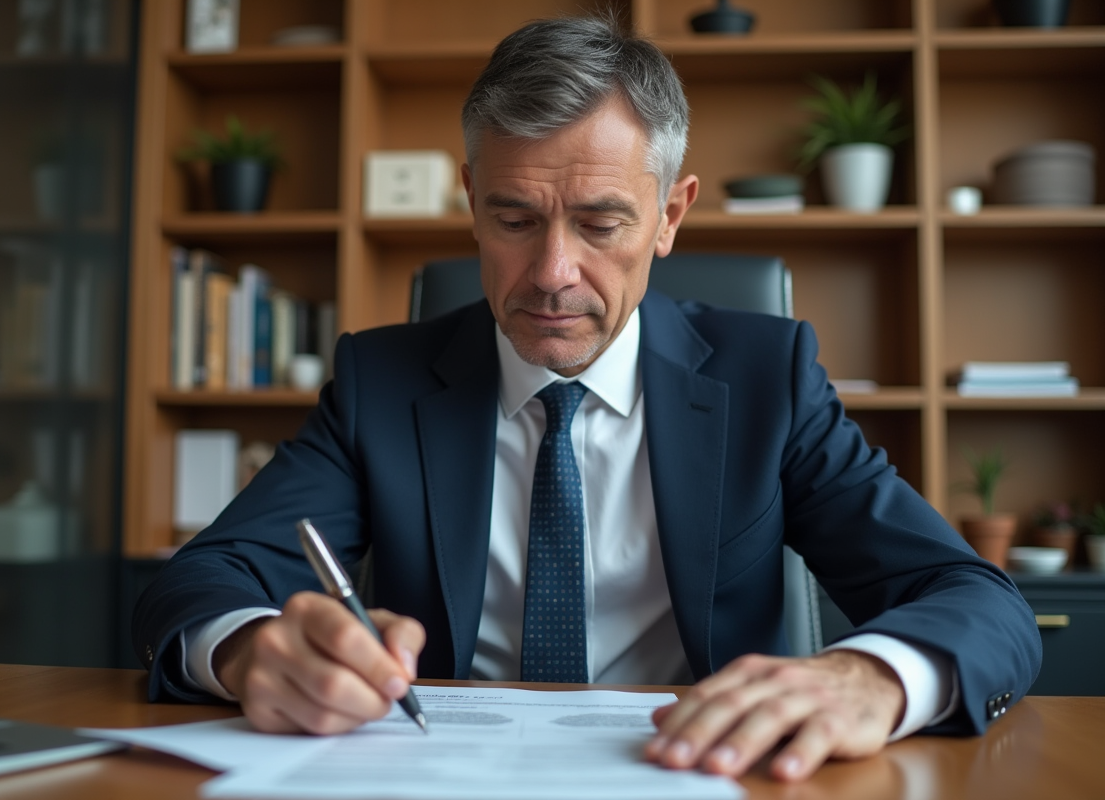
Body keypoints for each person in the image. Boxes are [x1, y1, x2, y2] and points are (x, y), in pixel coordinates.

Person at [134, 16, 1040, 782]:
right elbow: (204, 579)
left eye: (601, 223)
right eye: (514, 219)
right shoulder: (382, 381)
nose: (552, 273)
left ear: (669, 216)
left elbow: (976, 597)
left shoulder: (769, 377)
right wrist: (250, 650)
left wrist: (872, 679)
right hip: (442, 780)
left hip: (706, 775)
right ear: (471, 202)